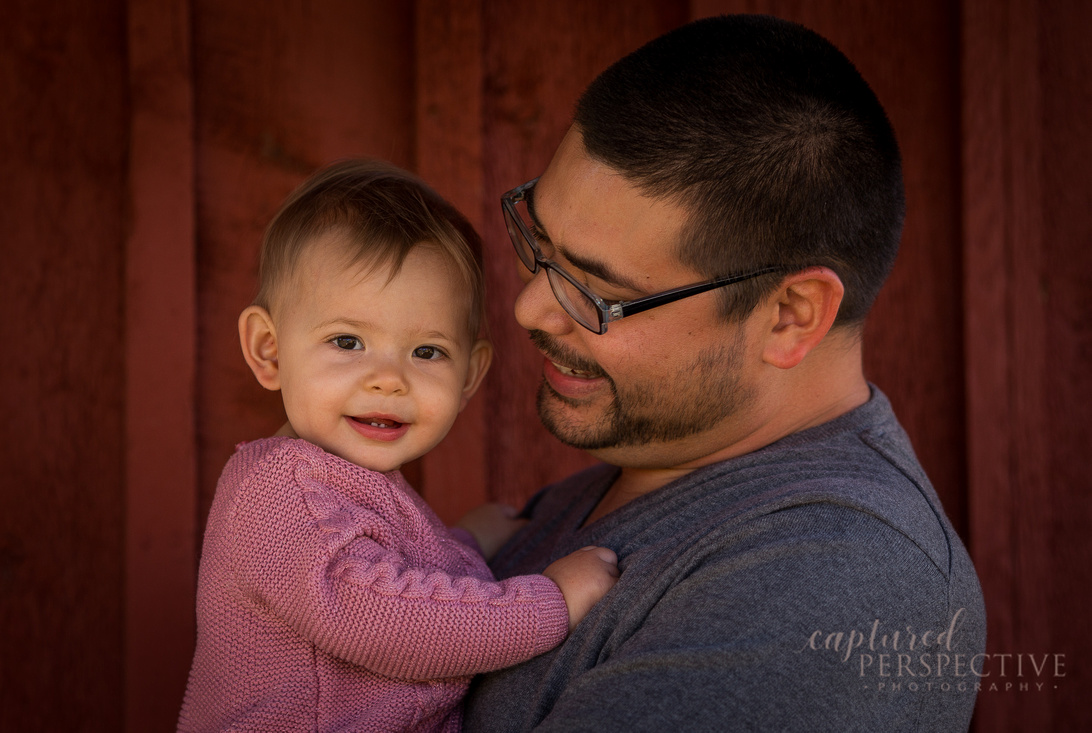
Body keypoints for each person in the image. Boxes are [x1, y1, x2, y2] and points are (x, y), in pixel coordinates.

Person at [464, 14, 985, 732]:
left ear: (791, 315)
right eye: (540, 244)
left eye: (597, 291)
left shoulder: (837, 580)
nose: (528, 307)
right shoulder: (642, 469)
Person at [177, 159, 619, 733]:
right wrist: (550, 604)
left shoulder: (337, 484)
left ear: (469, 376)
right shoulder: (275, 495)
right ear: (269, 350)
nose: (388, 378)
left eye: (426, 352)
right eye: (348, 341)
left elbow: (394, 567)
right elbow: (380, 616)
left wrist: (468, 540)